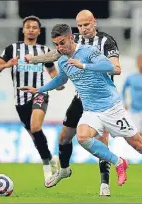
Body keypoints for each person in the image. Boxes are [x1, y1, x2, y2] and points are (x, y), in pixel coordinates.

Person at [19, 24, 142, 193]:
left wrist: (83, 65)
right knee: (82, 137)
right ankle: (119, 162)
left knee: (139, 145)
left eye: (62, 43)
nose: (59, 48)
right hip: (91, 111)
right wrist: (39, 89)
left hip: (112, 108)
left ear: (71, 37)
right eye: (56, 45)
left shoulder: (88, 52)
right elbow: (61, 80)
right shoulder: (62, 60)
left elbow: (110, 67)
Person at [25, 10, 121, 196]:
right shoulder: (74, 39)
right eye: (80, 26)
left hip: (102, 99)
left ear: (95, 22)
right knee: (63, 137)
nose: (84, 29)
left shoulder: (106, 42)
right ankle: (64, 170)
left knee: (101, 140)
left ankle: (104, 183)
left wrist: (90, 68)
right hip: (81, 97)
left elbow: (116, 67)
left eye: (87, 24)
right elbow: (56, 54)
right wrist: (35, 59)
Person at [0, 15, 63, 186]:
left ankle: (47, 169)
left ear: (39, 31)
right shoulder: (12, 49)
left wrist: (58, 83)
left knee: (36, 126)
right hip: (20, 100)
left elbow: (52, 72)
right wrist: (7, 65)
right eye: (28, 27)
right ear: (23, 30)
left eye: (34, 27)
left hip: (39, 93)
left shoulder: (44, 51)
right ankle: (51, 159)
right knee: (34, 136)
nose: (31, 30)